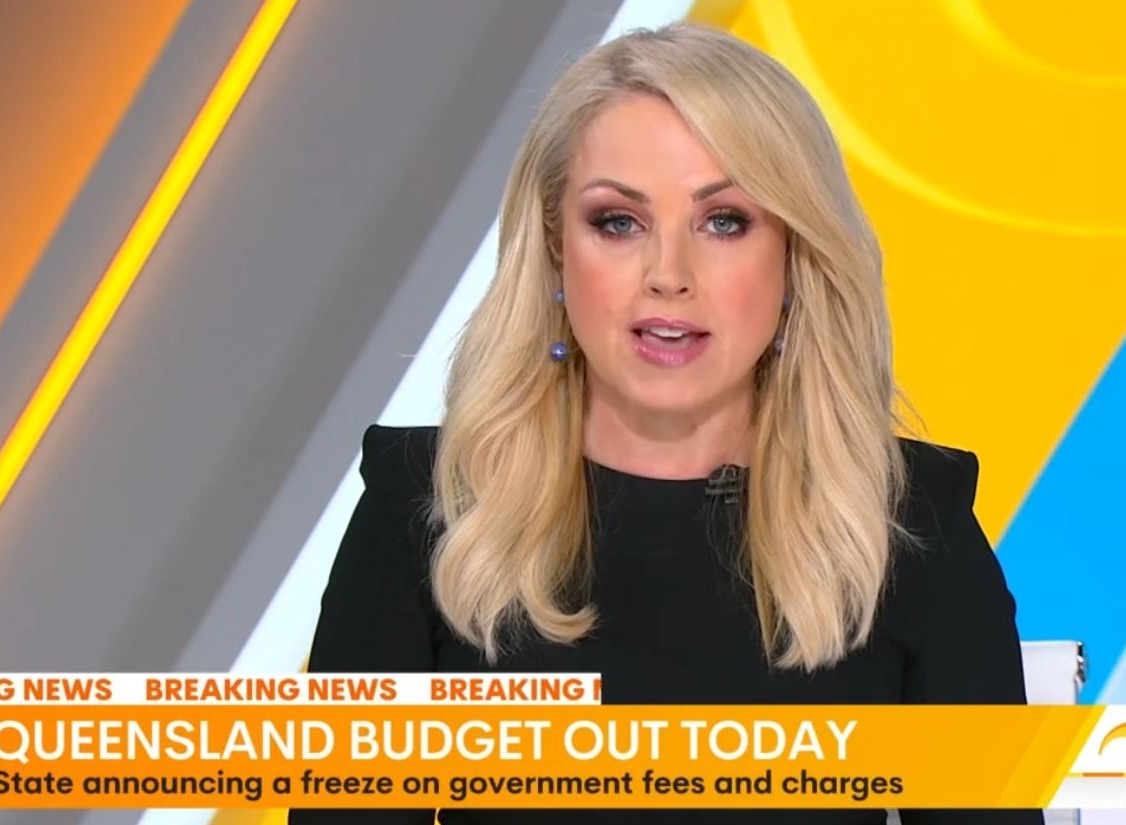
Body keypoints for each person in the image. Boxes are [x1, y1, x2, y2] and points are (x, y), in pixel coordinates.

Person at [290, 20, 1039, 825]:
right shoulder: (424, 512)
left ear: (794, 257)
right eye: (619, 222)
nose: (669, 275)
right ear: (554, 249)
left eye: (725, 221)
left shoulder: (909, 527)